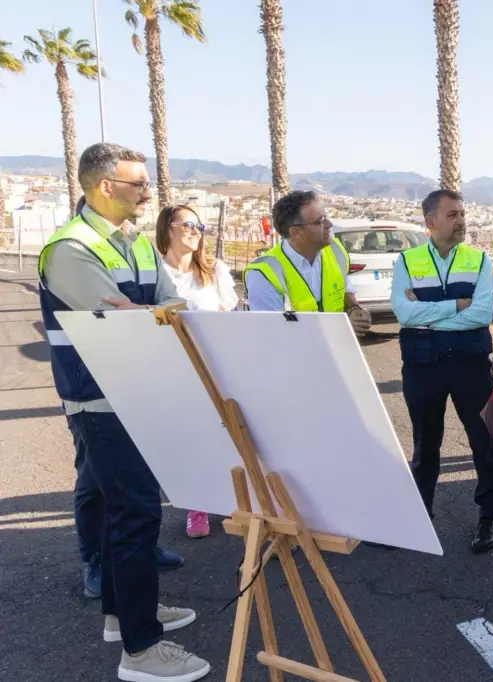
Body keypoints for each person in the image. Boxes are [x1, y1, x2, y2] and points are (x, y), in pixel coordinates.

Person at [38, 142, 209, 681]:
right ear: (104, 186)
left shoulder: (133, 243)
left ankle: (121, 614)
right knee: (136, 514)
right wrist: (153, 312)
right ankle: (140, 650)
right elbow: (124, 322)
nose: (148, 193)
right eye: (139, 184)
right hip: (99, 400)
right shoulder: (70, 248)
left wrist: (151, 312)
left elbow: (170, 302)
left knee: (122, 512)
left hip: (134, 395)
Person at [391, 188, 493, 554]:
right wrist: (456, 304)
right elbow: (404, 315)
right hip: (423, 365)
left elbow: (482, 314)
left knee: (482, 441)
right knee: (426, 444)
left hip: (469, 362)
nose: (461, 221)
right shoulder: (406, 262)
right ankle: (420, 514)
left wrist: (430, 315)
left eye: (462, 214)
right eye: (453, 214)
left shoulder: (479, 260)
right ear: (430, 221)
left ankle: (489, 515)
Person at [155, 204, 239, 539]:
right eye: (187, 223)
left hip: (214, 363)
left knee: (228, 433)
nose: (195, 230)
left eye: (199, 225)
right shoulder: (155, 271)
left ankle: (238, 499)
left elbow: (228, 310)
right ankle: (198, 505)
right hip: (173, 367)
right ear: (167, 228)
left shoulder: (214, 270)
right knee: (189, 437)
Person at [243, 190, 371, 334]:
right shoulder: (264, 274)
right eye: (320, 221)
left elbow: (344, 285)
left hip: (335, 352)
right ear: (296, 232)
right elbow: (273, 333)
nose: (329, 224)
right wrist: (341, 329)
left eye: (326, 218)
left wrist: (354, 307)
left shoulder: (336, 251)